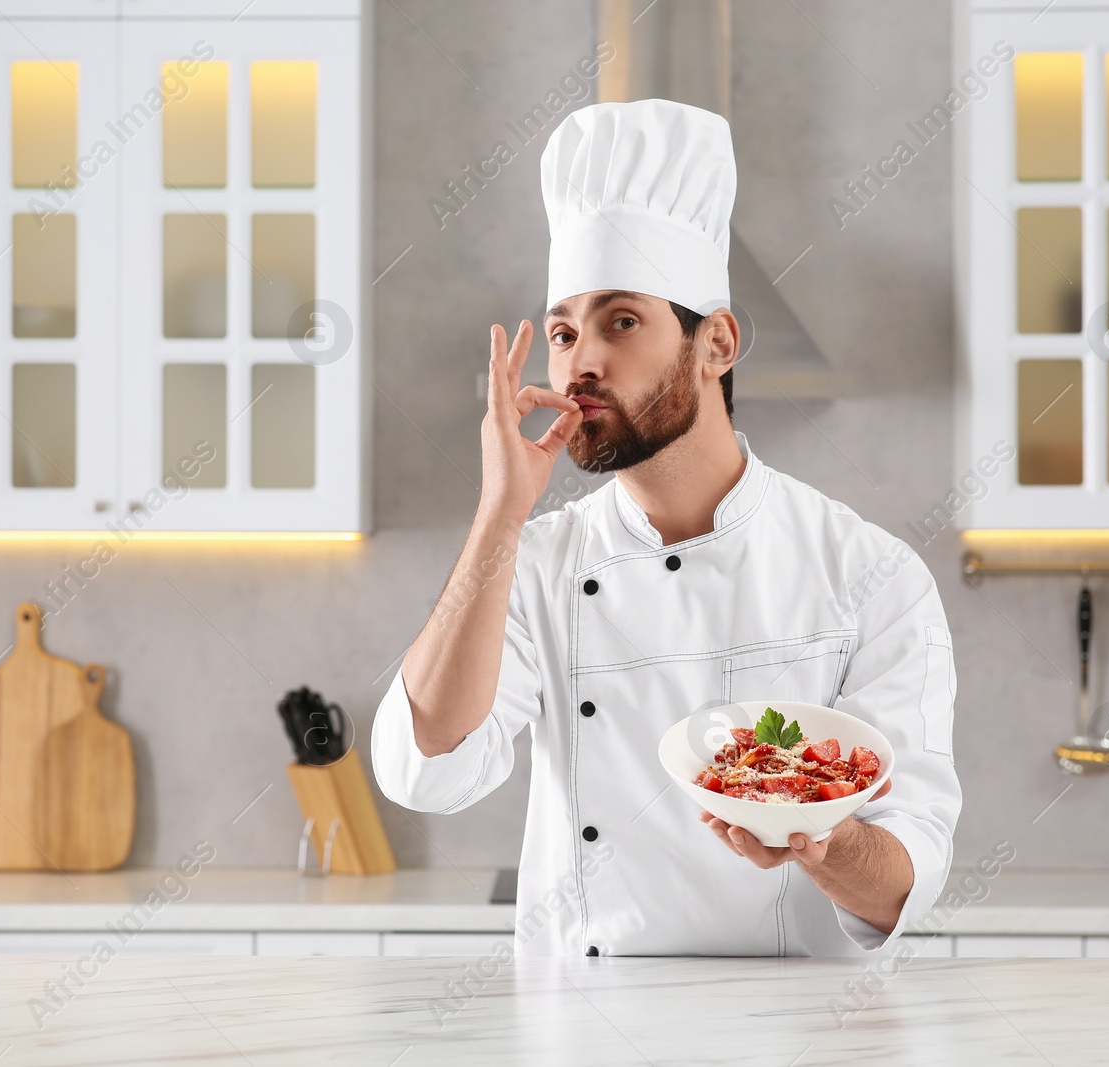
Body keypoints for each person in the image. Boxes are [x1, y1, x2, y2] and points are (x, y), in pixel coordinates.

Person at [371, 98, 962, 956]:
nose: (580, 361)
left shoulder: (869, 571)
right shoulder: (533, 564)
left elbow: (909, 872)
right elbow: (426, 767)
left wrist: (821, 841)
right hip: (583, 1030)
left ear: (715, 344)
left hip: (794, 1037)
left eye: (621, 321)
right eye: (564, 331)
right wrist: (500, 512)